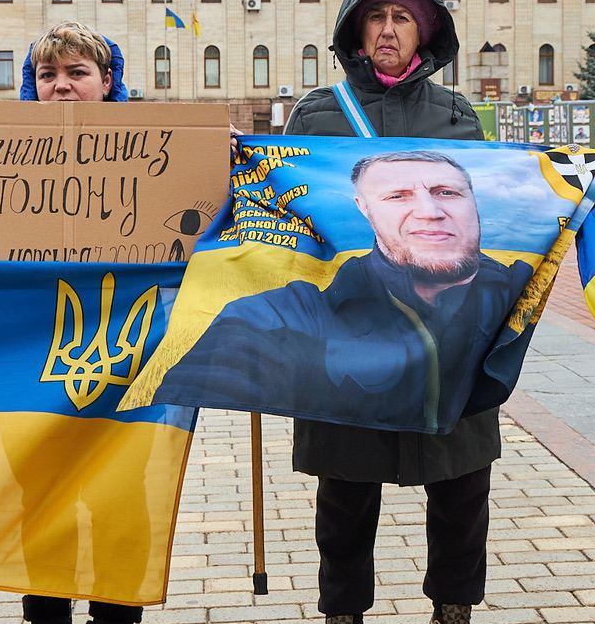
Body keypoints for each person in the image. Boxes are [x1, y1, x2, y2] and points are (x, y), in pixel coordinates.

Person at [282, 0, 493, 624]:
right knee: (345, 492)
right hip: (349, 336)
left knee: (462, 488)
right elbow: (280, 222)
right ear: (354, 26)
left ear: (427, 29)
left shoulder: (458, 118)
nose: (389, 30)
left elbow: (491, 212)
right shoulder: (316, 114)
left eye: (404, 16)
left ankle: (454, 619)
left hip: (449, 332)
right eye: (376, 15)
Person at [156, 151, 534, 433]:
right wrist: (217, 154)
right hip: (348, 449)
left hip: (465, 445)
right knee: (345, 524)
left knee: (463, 525)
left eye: (447, 192)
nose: (429, 210)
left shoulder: (517, 287)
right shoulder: (302, 309)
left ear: (474, 201)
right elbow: (222, 358)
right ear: (364, 210)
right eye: (398, 196)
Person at [6, 21, 146, 624]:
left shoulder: (153, 152)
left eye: (76, 73)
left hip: (125, 353)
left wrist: (225, 169)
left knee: (118, 495)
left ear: (108, 81)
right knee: (38, 491)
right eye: (47, 75)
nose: (60, 85)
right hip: (30, 352)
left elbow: (201, 228)